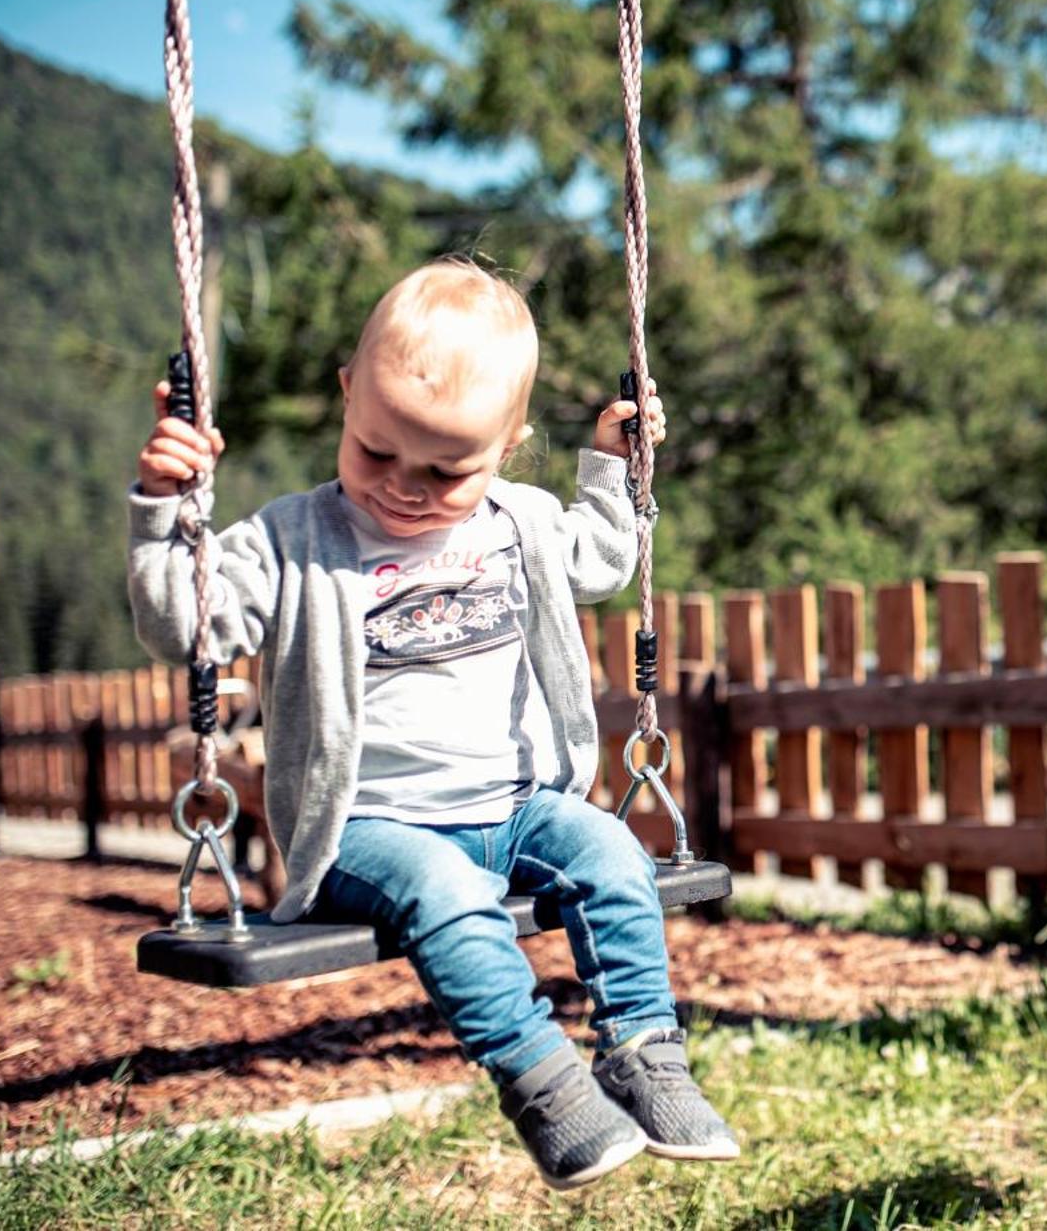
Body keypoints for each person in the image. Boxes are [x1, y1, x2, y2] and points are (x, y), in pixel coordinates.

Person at [127, 257, 738, 1188]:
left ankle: (645, 1053)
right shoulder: (291, 540)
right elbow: (184, 622)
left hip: (519, 805)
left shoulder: (522, 523)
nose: (405, 487)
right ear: (347, 395)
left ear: (506, 445)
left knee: (615, 854)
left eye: (447, 468)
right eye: (377, 452)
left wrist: (614, 465)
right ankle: (543, 1081)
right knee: (448, 891)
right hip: (370, 829)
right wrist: (165, 508)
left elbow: (606, 562)